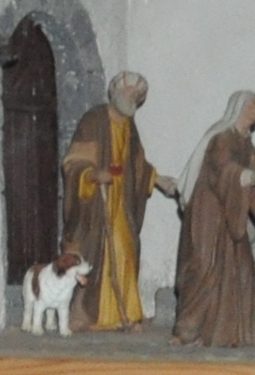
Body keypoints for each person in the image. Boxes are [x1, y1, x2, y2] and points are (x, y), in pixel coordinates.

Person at [172, 91, 255, 347]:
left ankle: (246, 330)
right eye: (253, 106)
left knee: (243, 269)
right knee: (205, 268)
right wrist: (248, 177)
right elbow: (223, 168)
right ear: (240, 108)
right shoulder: (221, 139)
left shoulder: (244, 142)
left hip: (230, 212)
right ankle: (188, 330)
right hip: (208, 214)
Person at [55, 70, 175, 331]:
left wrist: (157, 179)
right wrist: (91, 174)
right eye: (129, 93)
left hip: (120, 202)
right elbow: (74, 162)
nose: (133, 99)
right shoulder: (94, 120)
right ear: (115, 93)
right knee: (93, 253)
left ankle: (125, 313)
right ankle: (88, 314)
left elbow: (137, 165)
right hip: (96, 204)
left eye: (137, 96)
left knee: (126, 252)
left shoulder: (129, 127)